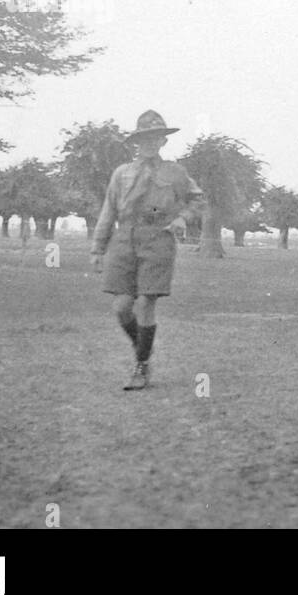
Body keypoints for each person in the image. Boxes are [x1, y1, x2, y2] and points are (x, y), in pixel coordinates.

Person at [91, 111, 205, 390]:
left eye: (156, 138)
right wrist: (98, 248)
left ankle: (140, 366)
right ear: (136, 142)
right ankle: (143, 348)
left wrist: (181, 218)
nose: (151, 143)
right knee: (121, 307)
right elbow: (109, 211)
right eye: (145, 138)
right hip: (124, 239)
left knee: (145, 303)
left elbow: (198, 200)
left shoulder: (176, 173)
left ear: (163, 142)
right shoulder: (122, 173)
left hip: (158, 239)